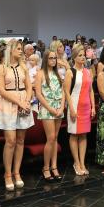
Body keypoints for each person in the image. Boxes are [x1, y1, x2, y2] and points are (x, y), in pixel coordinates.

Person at [0, 40, 34, 190]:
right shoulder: (2, 67)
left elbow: (29, 87)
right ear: (11, 50)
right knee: (10, 140)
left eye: (21, 48)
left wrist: (26, 101)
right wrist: (19, 102)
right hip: (8, 104)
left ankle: (16, 172)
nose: (21, 51)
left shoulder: (24, 66)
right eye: (18, 48)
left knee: (20, 140)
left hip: (23, 102)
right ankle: (7, 174)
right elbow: (1, 90)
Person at [65, 44, 95, 176]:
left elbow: (91, 90)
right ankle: (76, 163)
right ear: (74, 57)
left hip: (86, 107)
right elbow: (66, 92)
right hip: (75, 106)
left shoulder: (88, 71)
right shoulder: (70, 72)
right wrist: (71, 109)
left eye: (84, 55)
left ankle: (82, 163)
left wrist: (93, 107)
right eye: (80, 55)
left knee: (83, 135)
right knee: (74, 134)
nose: (83, 57)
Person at [35, 49, 65, 181]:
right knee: (51, 138)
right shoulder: (40, 73)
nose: (53, 60)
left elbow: (63, 91)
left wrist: (62, 106)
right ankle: (46, 167)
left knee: (56, 138)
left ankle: (54, 166)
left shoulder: (58, 73)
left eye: (55, 58)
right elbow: (38, 94)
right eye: (51, 58)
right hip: (47, 108)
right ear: (46, 59)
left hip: (58, 108)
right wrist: (50, 108)